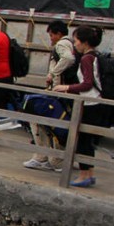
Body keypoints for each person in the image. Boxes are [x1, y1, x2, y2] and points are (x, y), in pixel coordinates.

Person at [53, 26, 110, 187]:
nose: (75, 44)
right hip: (96, 103)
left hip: (91, 104)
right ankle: (89, 174)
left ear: (84, 42)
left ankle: (84, 175)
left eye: (76, 40)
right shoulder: (95, 56)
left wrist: (67, 88)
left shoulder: (86, 58)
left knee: (83, 141)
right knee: (86, 140)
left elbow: (87, 83)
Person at [23, 21, 77, 171]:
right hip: (68, 93)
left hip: (59, 92)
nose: (51, 38)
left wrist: (53, 73)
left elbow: (68, 59)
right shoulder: (73, 44)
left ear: (59, 34)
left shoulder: (61, 44)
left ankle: (46, 158)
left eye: (52, 35)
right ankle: (52, 158)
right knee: (58, 124)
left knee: (43, 122)